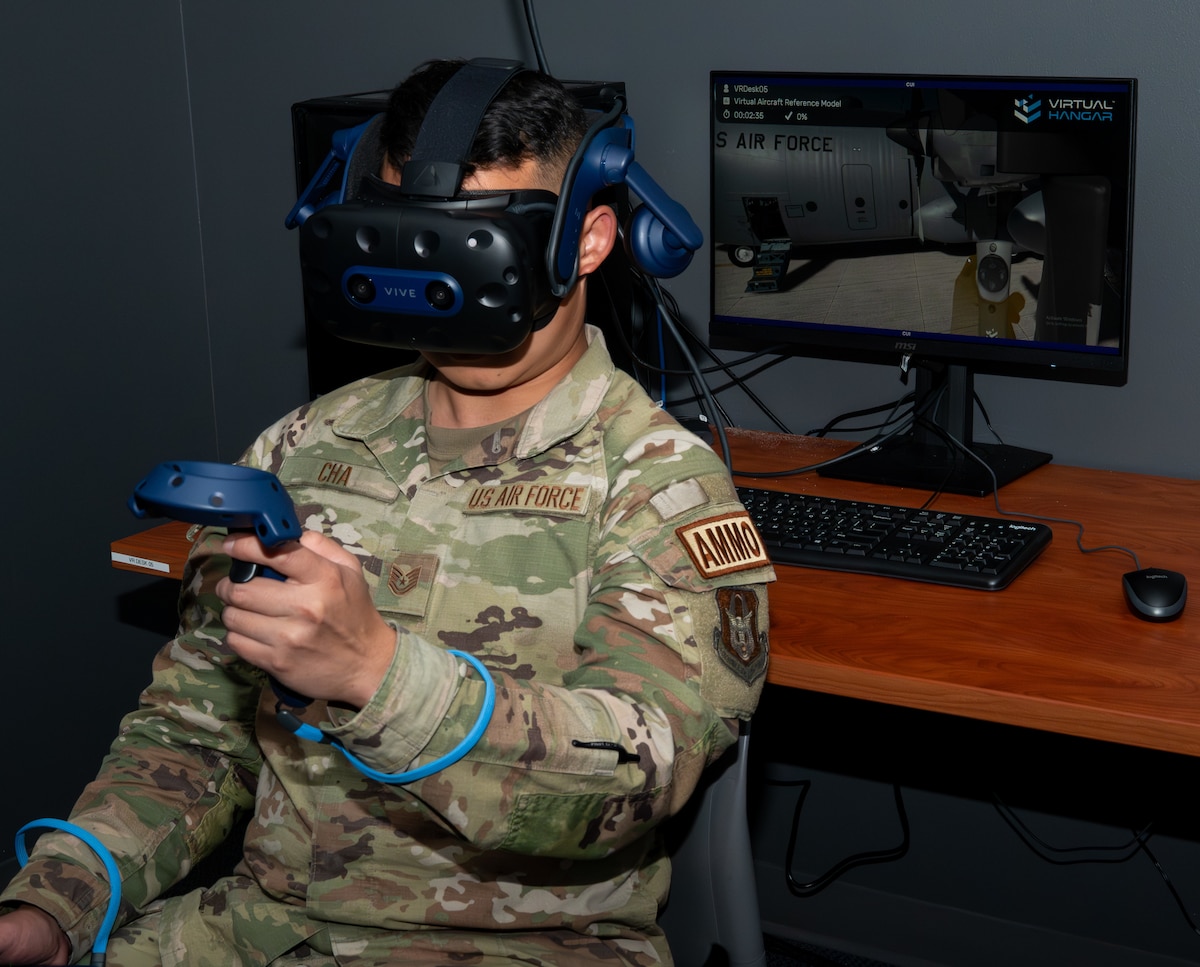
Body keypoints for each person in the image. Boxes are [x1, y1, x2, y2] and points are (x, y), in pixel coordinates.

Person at [0, 59, 773, 966]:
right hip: (258, 930)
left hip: (521, 945)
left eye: (483, 240)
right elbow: (192, 734)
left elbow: (643, 780)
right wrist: (59, 901)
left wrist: (377, 673)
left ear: (589, 240)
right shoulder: (298, 452)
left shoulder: (658, 486)